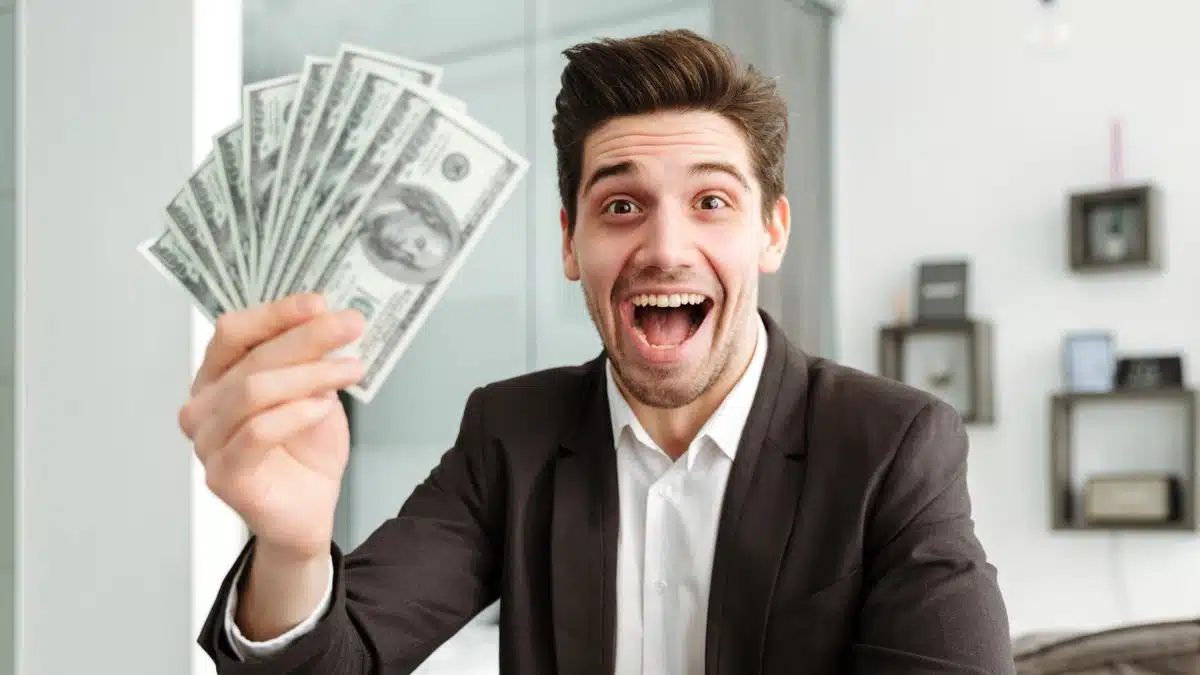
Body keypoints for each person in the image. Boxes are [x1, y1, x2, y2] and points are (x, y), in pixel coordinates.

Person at [185, 29, 1015, 675]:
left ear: (771, 232)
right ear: (570, 242)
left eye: (712, 200)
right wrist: (292, 546)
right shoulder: (512, 431)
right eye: (621, 204)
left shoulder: (894, 444)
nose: (665, 246)